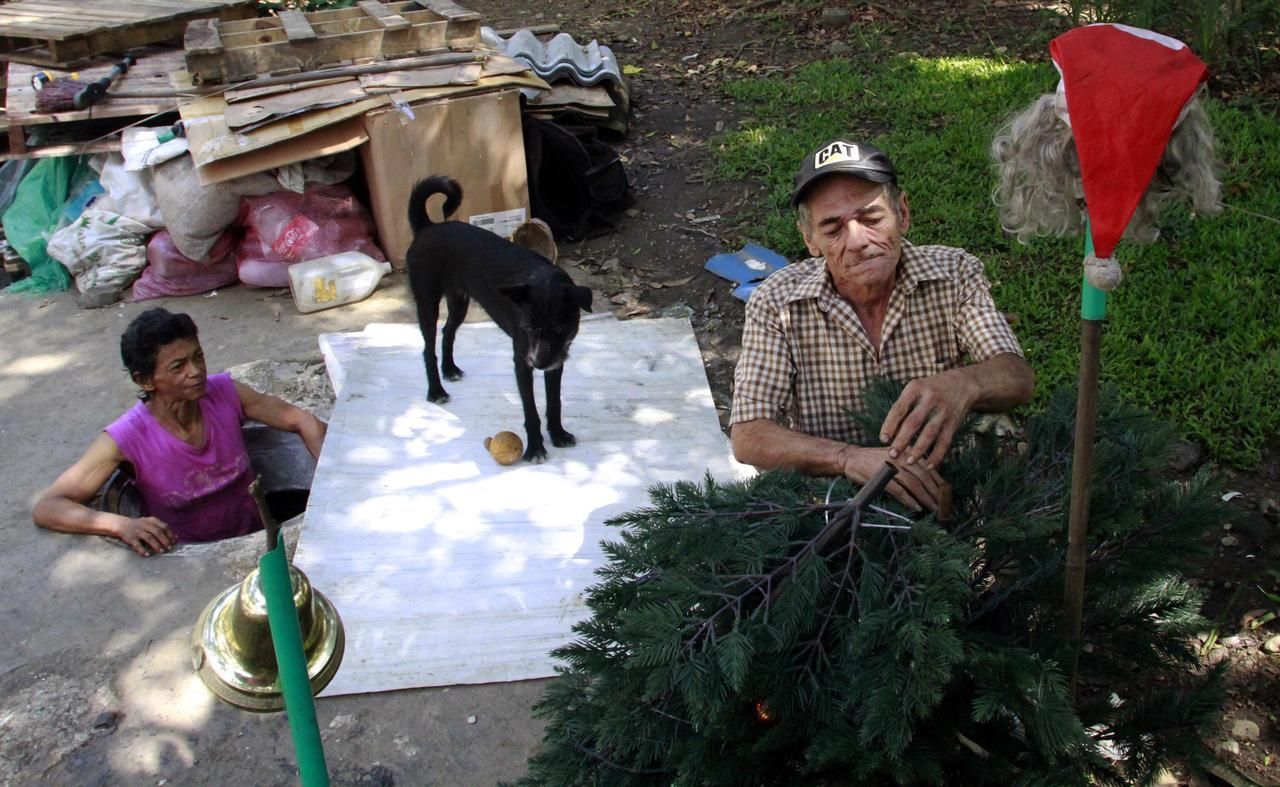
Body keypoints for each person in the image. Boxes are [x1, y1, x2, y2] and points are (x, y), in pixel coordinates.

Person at [730, 139, 1035, 512]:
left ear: (902, 213)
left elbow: (1017, 376)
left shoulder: (955, 273)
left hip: (939, 480)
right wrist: (849, 459)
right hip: (832, 497)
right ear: (810, 240)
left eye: (871, 218)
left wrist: (964, 383)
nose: (858, 240)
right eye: (833, 228)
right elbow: (748, 435)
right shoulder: (777, 302)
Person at [33, 308, 328, 556]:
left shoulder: (224, 392)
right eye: (179, 366)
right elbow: (49, 506)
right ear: (145, 380)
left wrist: (329, 473)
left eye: (197, 357)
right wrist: (122, 525)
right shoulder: (126, 438)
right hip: (189, 559)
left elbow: (301, 420)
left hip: (258, 542)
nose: (196, 371)